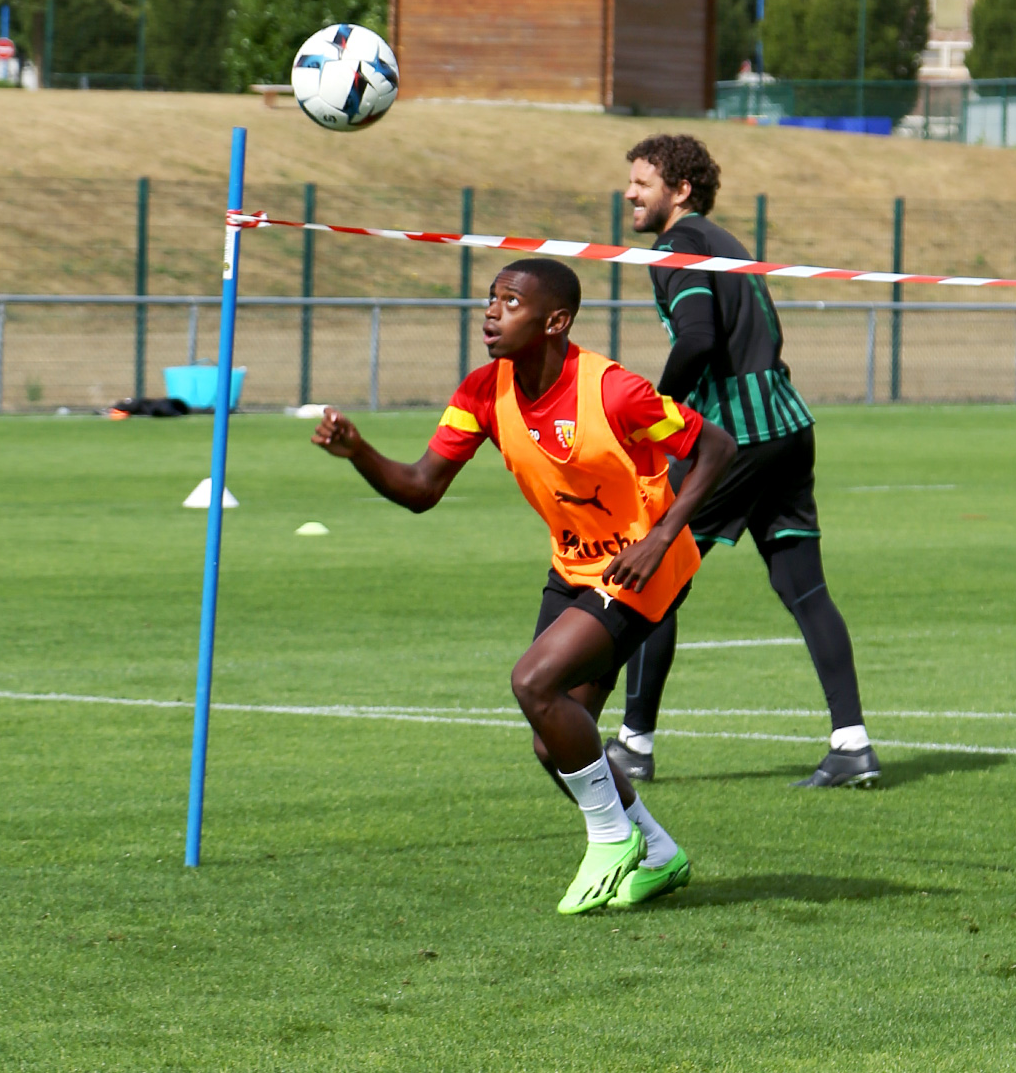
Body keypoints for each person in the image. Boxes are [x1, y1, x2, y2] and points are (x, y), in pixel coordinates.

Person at [312, 256, 736, 911]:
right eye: (491, 298)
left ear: (554, 321)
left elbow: (717, 447)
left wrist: (658, 537)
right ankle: (656, 850)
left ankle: (610, 837)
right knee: (557, 740)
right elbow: (422, 489)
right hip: (573, 567)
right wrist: (360, 451)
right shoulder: (482, 391)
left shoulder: (615, 390)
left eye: (511, 301)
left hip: (643, 567)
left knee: (532, 681)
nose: (491, 311)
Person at [606, 133, 878, 788]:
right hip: (786, 419)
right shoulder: (725, 240)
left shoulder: (677, 246)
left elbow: (698, 338)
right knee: (803, 588)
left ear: (681, 191)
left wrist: (655, 410)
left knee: (652, 576)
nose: (629, 193)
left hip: (736, 428)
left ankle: (633, 745)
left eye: (642, 183)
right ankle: (852, 745)